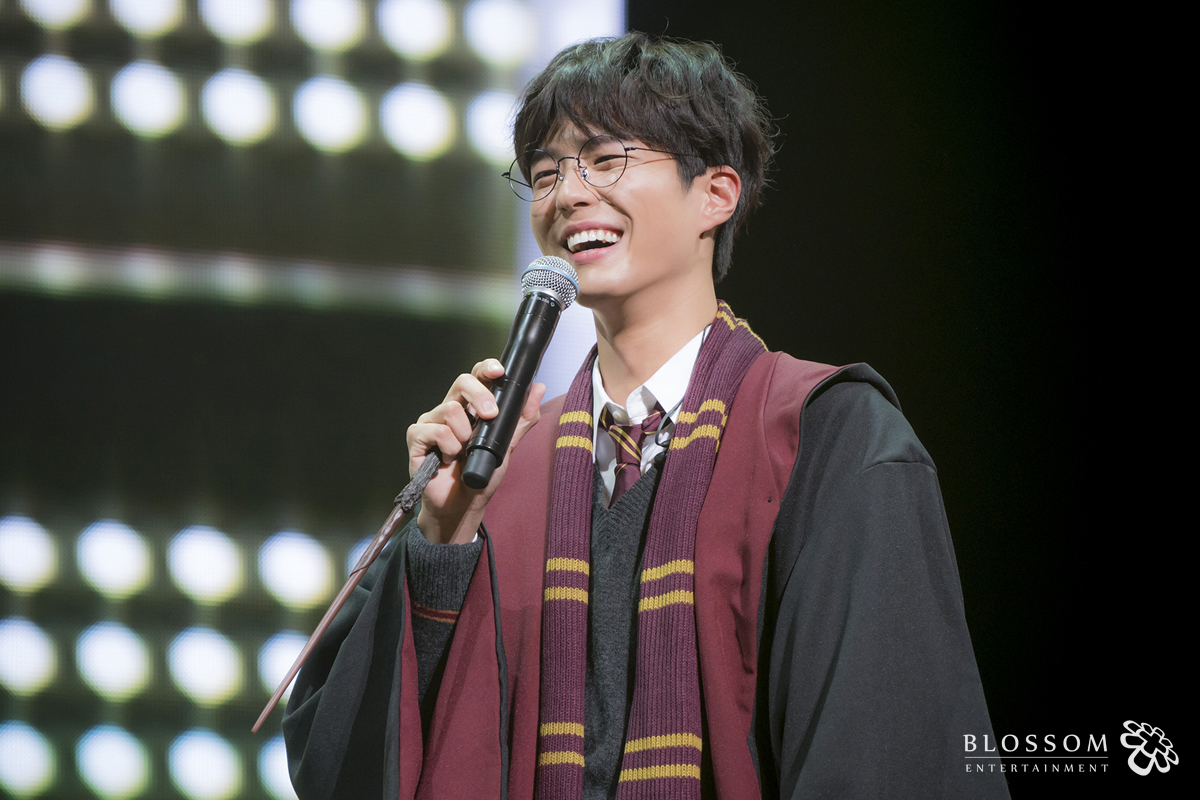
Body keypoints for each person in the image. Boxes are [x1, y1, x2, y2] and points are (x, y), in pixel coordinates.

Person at [283, 33, 1009, 800]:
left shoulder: (825, 438)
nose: (566, 195)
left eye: (606, 160)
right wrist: (442, 544)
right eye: (545, 173)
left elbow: (885, 752)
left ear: (716, 194)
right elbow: (341, 764)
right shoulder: (499, 469)